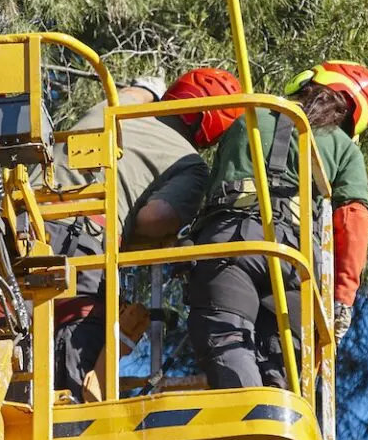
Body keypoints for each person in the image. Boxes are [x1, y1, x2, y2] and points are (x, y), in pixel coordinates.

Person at [46, 68, 243, 399]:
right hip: (81, 239)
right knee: (76, 330)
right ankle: (70, 417)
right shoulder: (189, 164)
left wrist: (146, 89)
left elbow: (130, 95)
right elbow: (156, 218)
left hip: (13, 221)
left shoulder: (110, 110)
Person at [185, 60, 368, 389]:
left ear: (305, 80)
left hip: (232, 244)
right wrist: (342, 300)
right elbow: (353, 220)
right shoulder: (345, 149)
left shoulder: (249, 115)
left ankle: (250, 416)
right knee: (284, 364)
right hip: (296, 263)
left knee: (226, 340)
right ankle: (272, 424)